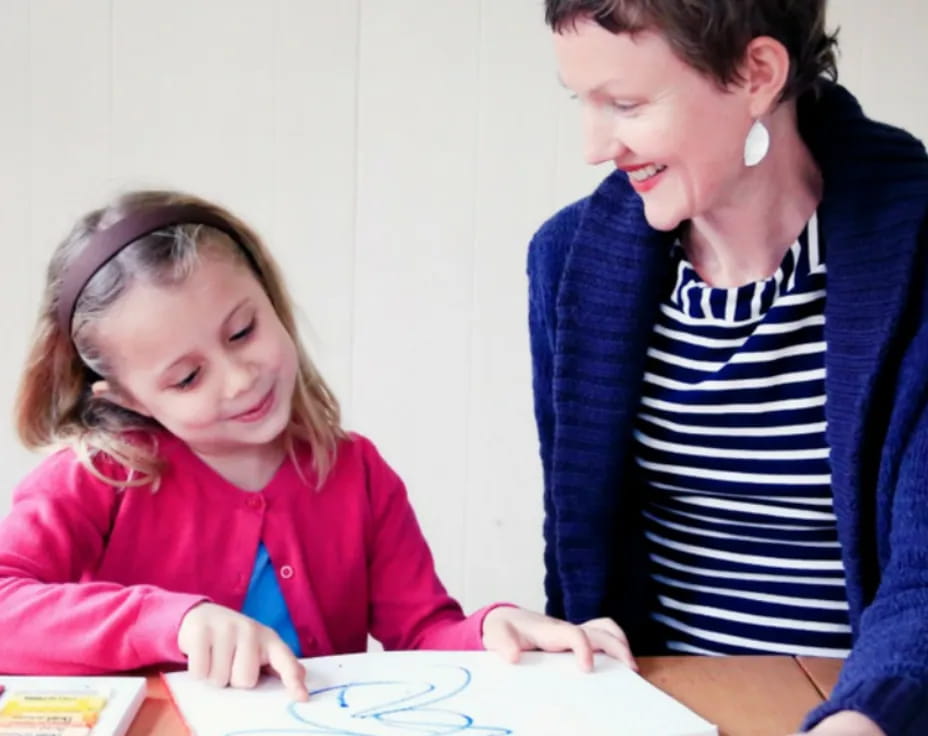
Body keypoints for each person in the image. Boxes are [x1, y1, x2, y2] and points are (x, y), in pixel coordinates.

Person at [0, 190, 633, 700]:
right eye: (188, 377)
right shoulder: (97, 477)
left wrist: (493, 629)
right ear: (129, 399)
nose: (240, 377)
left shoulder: (356, 472)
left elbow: (421, 632)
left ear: (270, 301)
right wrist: (171, 621)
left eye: (243, 331)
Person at [528, 2, 928, 734]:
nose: (593, 146)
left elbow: (923, 580)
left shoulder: (919, 258)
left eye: (624, 104)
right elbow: (580, 569)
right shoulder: (565, 265)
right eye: (581, 102)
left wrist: (862, 720)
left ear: (757, 74)